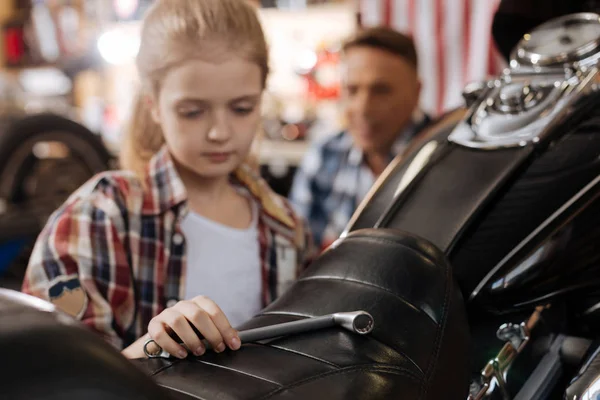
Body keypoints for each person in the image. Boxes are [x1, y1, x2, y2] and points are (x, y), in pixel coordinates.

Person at [21, 0, 313, 360]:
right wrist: (150, 349)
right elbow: (48, 372)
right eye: (192, 112)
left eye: (242, 108)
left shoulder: (286, 227)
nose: (220, 132)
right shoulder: (97, 216)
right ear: (154, 105)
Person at [289, 27, 430, 250]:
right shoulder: (324, 155)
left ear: (416, 92)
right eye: (352, 90)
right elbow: (299, 251)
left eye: (381, 90)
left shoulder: (443, 158)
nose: (363, 108)